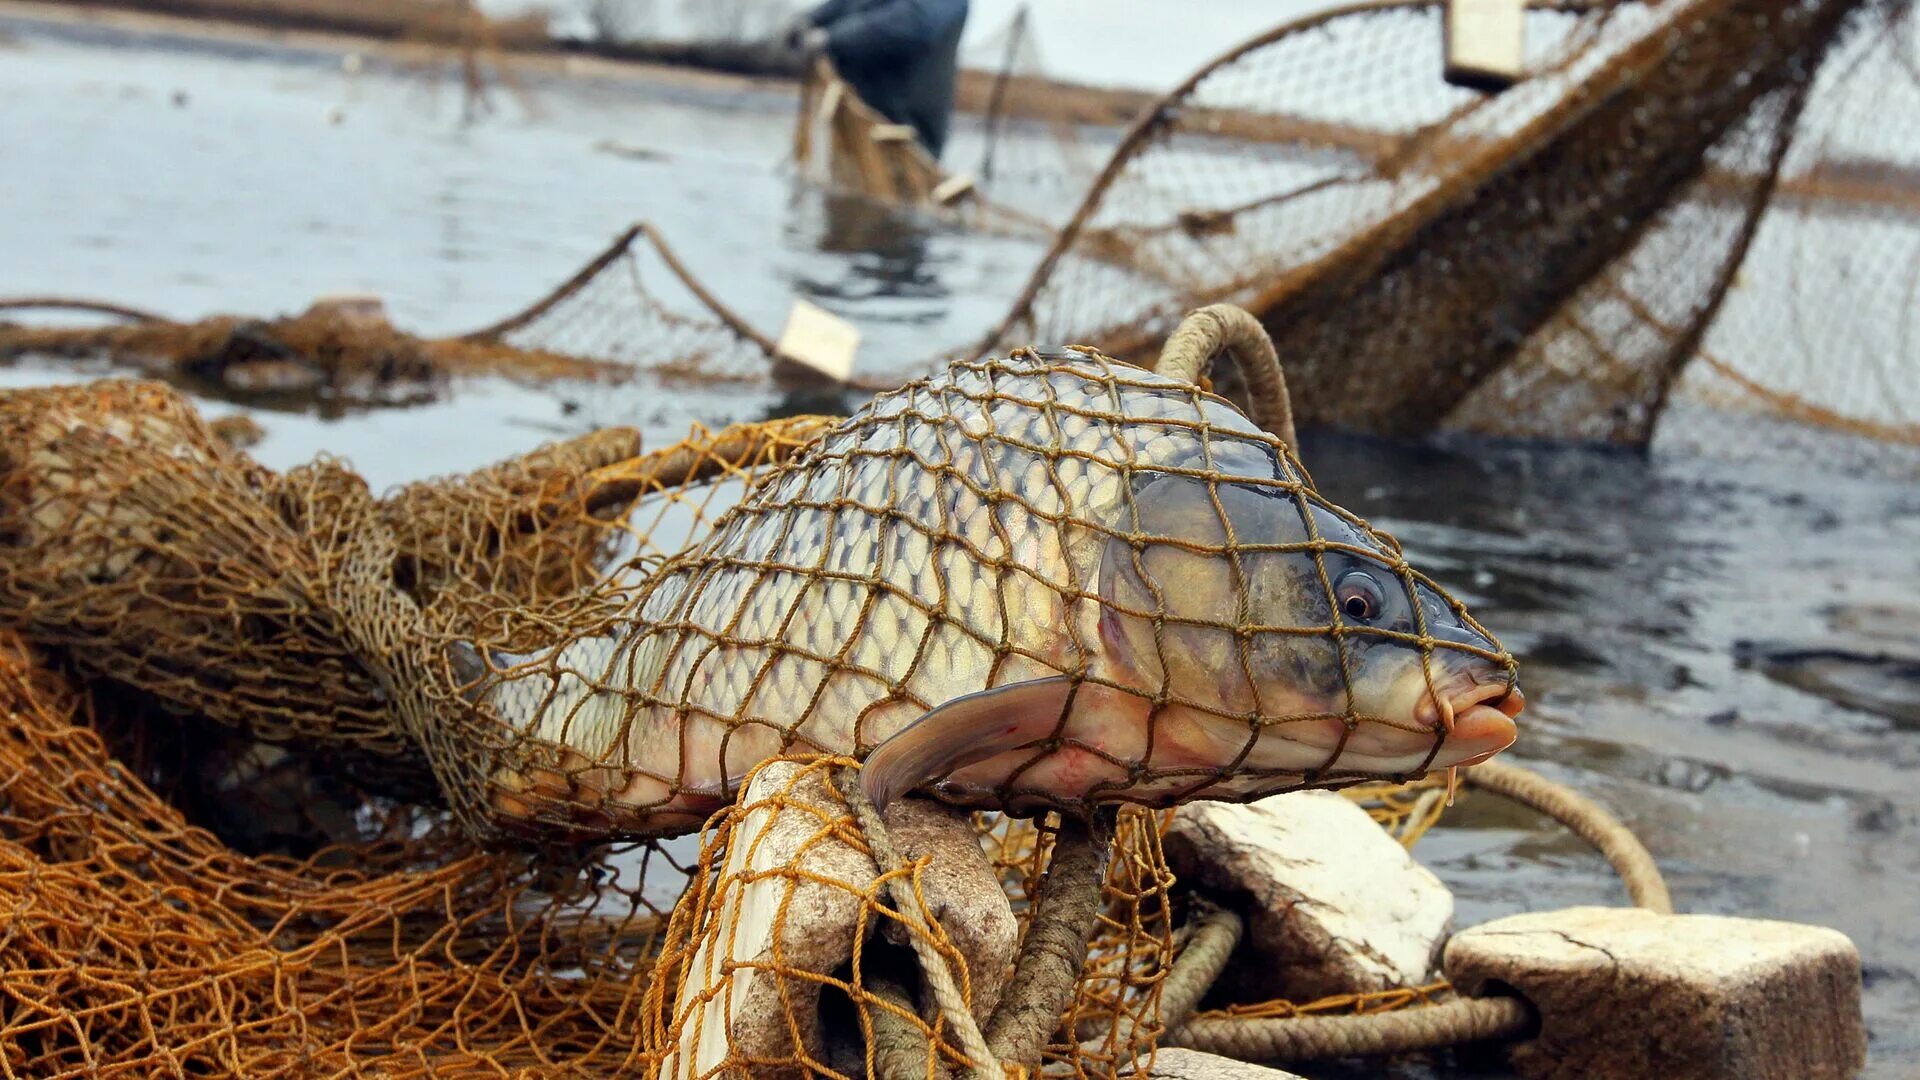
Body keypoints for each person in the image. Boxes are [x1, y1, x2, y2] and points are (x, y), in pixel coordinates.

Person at [785, 0, 970, 160]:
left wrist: (831, 38)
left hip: (906, 132)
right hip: (859, 120)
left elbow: (912, 23)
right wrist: (810, 19)